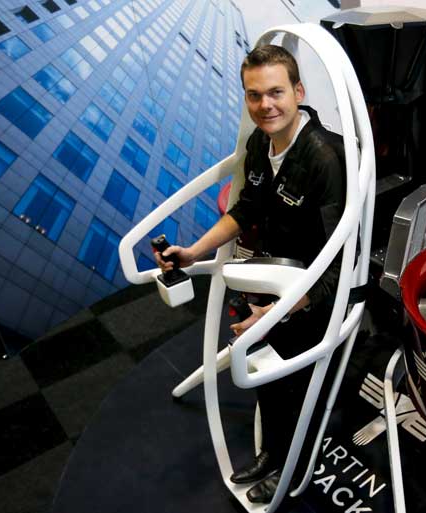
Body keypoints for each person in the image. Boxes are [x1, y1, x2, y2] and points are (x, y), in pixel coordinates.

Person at [155, 45, 346, 503]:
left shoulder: (326, 159)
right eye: (254, 95)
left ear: (298, 91)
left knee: (295, 381)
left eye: (277, 92)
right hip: (271, 278)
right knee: (265, 373)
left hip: (316, 292)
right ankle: (273, 450)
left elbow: (338, 265)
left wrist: (277, 313)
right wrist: (192, 252)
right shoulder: (262, 143)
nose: (266, 105)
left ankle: (291, 466)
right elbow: (246, 207)